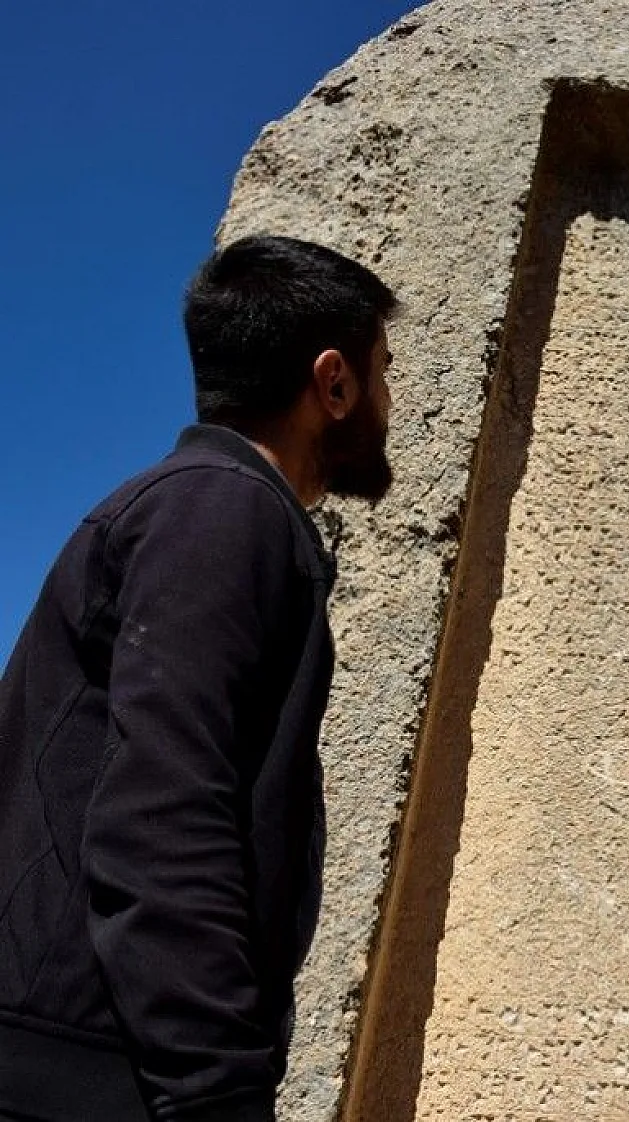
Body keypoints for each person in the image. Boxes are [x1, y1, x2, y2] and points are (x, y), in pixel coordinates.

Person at [0, 236, 396, 1122]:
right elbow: (162, 815)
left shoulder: (197, 509)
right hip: (96, 1077)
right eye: (382, 374)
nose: (390, 404)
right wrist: (218, 1093)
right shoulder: (221, 510)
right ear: (333, 384)